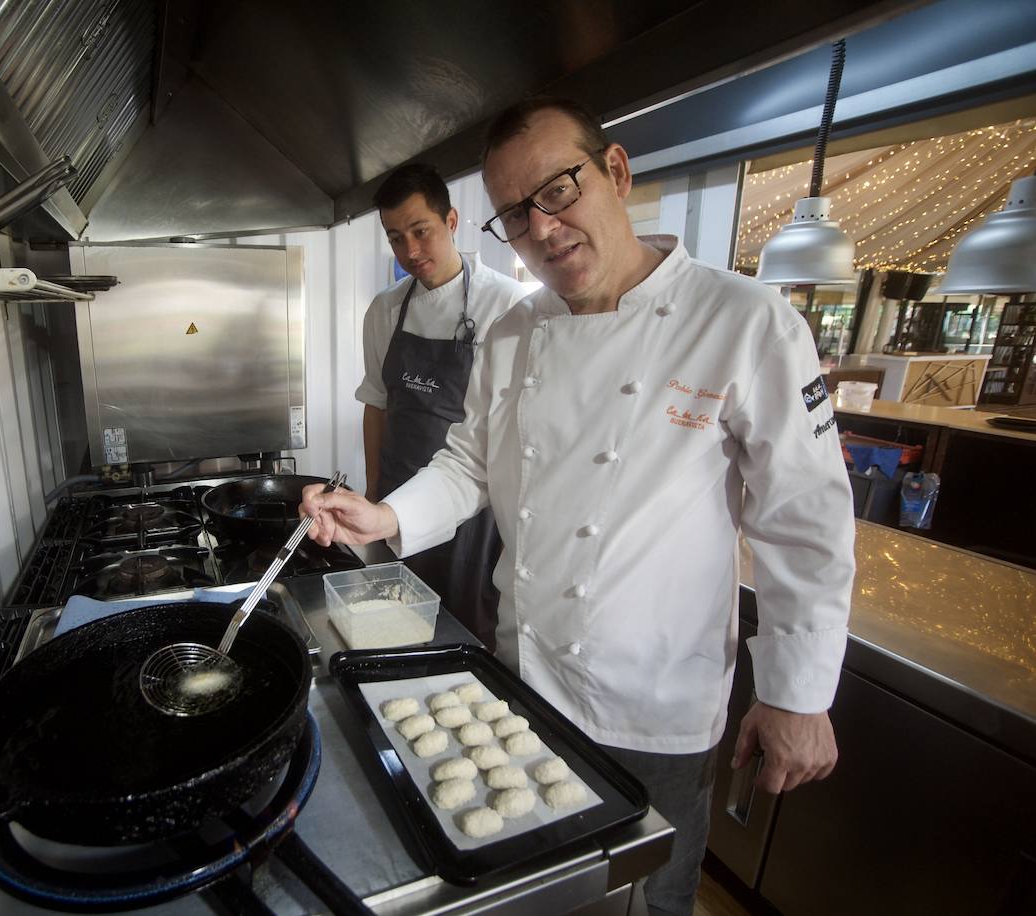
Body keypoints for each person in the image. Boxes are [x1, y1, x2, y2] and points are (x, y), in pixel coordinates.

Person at [305, 98, 855, 916]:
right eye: (516, 216)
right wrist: (386, 516)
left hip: (658, 696)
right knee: (543, 891)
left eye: (558, 192)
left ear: (617, 173)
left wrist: (798, 693)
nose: (543, 229)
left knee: (649, 899)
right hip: (527, 674)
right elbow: (470, 462)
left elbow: (804, 519)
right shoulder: (515, 331)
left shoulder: (745, 321)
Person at [356, 163, 528, 650]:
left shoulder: (508, 306)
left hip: (474, 509)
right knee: (392, 625)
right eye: (395, 238)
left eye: (420, 231)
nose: (409, 251)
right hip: (395, 495)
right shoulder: (385, 309)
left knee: (465, 634)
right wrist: (373, 493)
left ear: (451, 222)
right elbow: (377, 404)